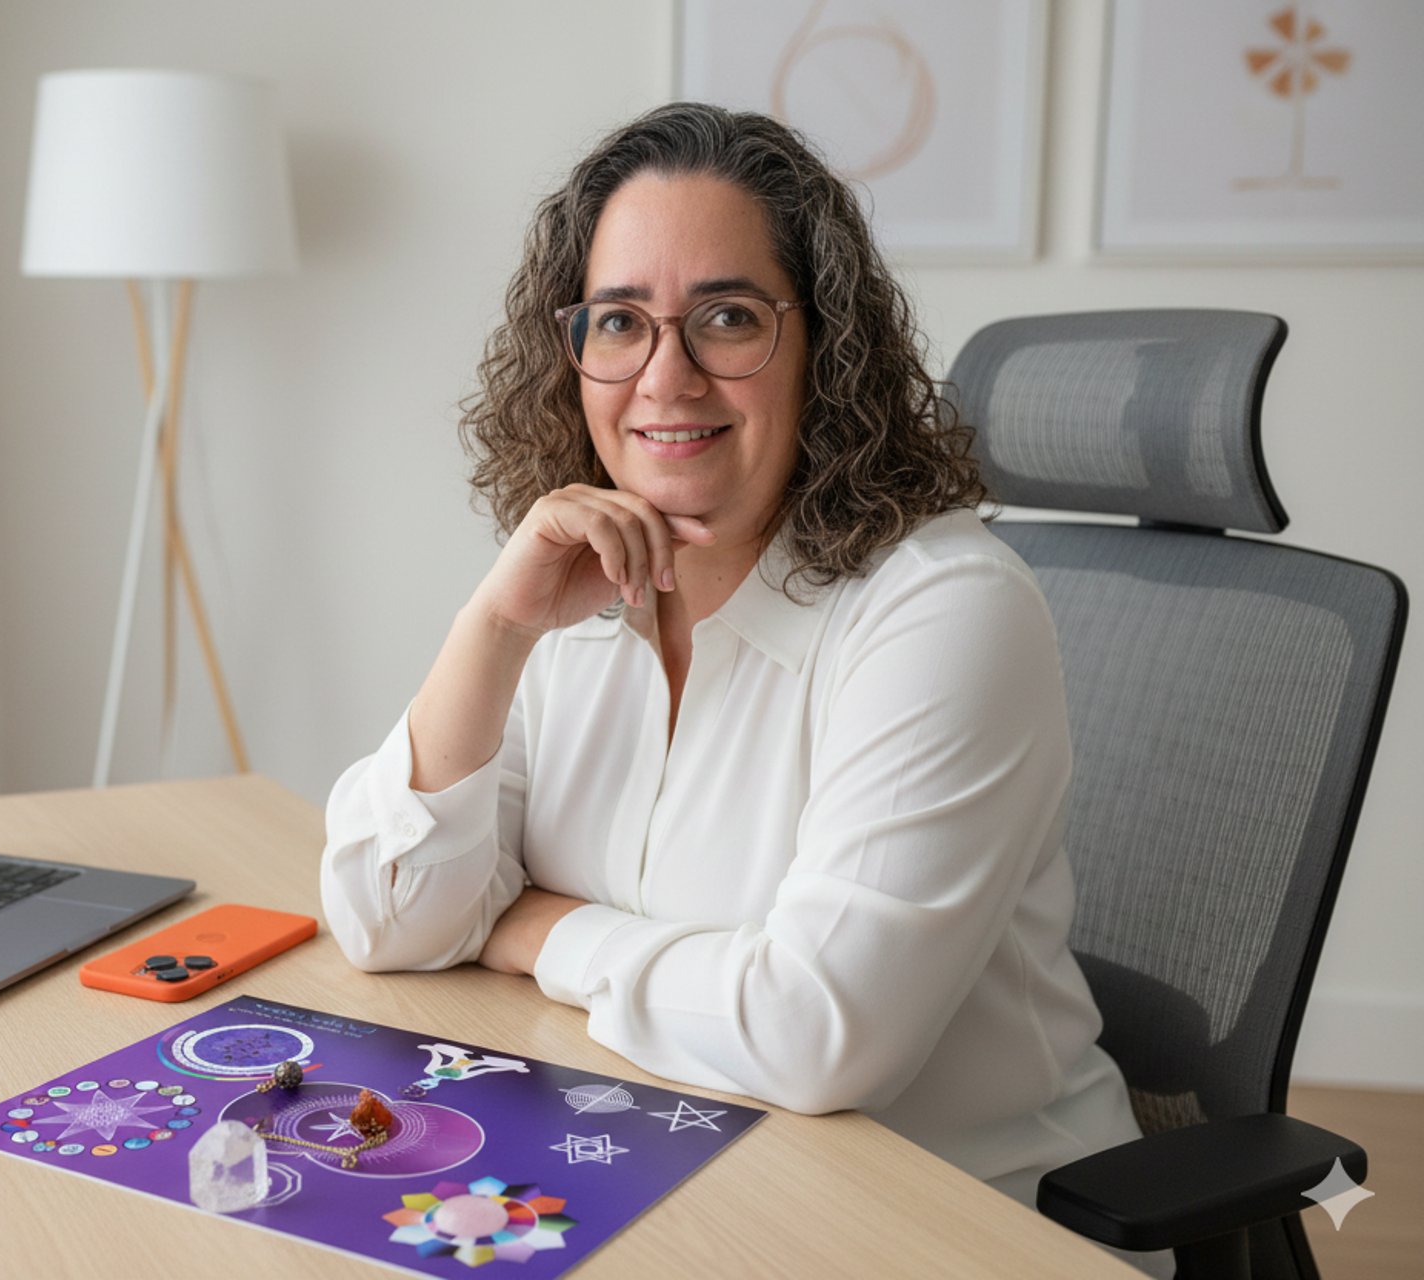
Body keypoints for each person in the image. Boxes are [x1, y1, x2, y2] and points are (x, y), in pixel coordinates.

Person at [320, 103, 1169, 1276]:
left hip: (953, 1226)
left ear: (826, 346)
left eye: (726, 317)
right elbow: (388, 916)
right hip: (675, 1183)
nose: (665, 376)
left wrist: (535, 928)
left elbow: (816, 1034)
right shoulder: (574, 580)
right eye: (619, 321)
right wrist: (496, 626)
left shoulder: (944, 607)